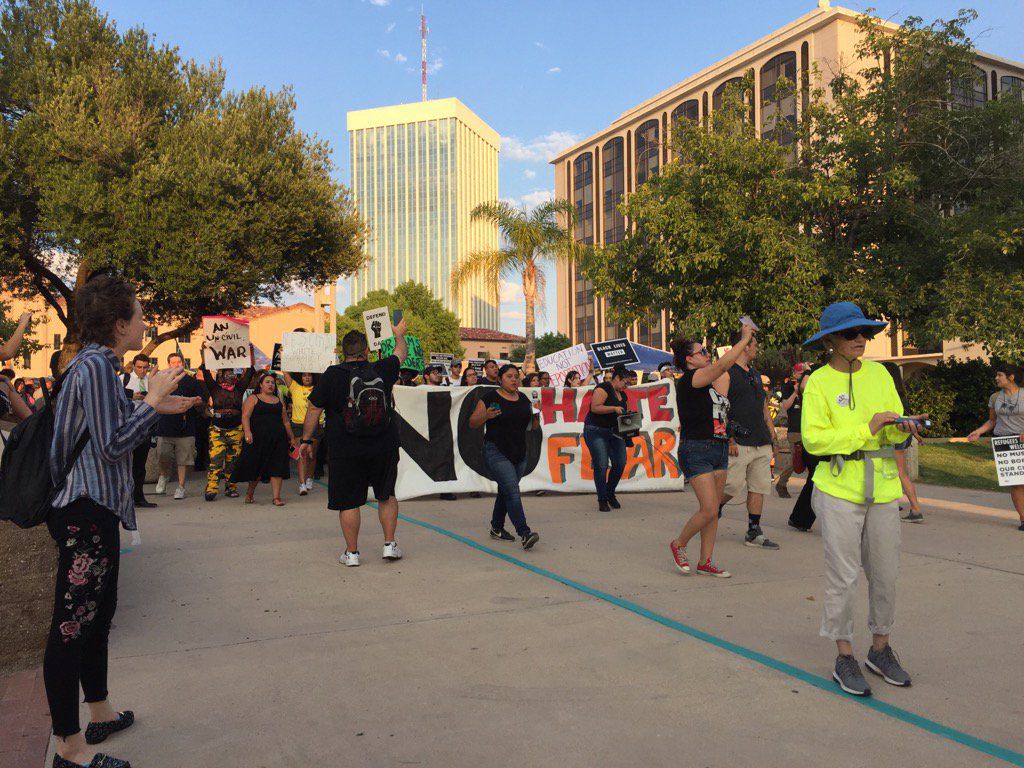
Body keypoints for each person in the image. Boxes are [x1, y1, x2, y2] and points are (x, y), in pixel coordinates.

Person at [46, 274, 200, 768]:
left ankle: (100, 711)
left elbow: (110, 432)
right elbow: (113, 445)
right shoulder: (92, 367)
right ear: (119, 324)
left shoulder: (99, 368)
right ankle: (68, 749)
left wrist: (154, 407)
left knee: (97, 618)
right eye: (138, 314)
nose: (144, 322)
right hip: (84, 511)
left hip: (98, 509)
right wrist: (152, 401)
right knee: (71, 627)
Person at [801, 301, 925, 696]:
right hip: (838, 488)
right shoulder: (818, 382)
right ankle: (843, 655)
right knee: (844, 576)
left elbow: (888, 428)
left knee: (886, 574)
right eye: (850, 334)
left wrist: (902, 429)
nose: (860, 339)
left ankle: (880, 649)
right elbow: (814, 440)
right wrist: (866, 429)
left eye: (864, 333)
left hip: (884, 487)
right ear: (831, 341)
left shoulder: (881, 375)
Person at [300, 323, 408, 566]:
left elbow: (314, 408)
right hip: (383, 445)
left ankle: (352, 553)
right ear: (367, 350)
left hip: (345, 448)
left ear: (342, 352)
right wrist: (398, 335)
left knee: (348, 501)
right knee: (386, 494)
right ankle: (390, 545)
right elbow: (402, 352)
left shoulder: (332, 374)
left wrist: (306, 440)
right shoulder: (382, 368)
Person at [668, 326, 756, 578]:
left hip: (717, 447)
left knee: (714, 511)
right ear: (689, 359)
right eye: (702, 351)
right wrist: (744, 339)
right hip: (696, 449)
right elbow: (721, 366)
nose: (707, 354)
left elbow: (724, 375)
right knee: (708, 508)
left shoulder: (711, 385)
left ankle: (705, 561)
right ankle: (679, 544)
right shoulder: (690, 380)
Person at [716, 329, 782, 550]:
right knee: (731, 486)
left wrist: (771, 429)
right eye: (754, 344)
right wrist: (729, 438)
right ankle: (713, 508)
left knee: (759, 487)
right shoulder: (726, 373)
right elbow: (720, 407)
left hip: (760, 440)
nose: (757, 348)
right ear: (744, 345)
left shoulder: (754, 373)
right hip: (738, 441)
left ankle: (754, 531)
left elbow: (762, 402)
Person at [469, 363, 541, 549]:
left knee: (506, 491)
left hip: (519, 453)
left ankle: (496, 527)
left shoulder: (524, 399)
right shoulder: (490, 397)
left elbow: (533, 428)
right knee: (512, 491)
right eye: (509, 376)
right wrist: (486, 415)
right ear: (500, 380)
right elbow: (472, 423)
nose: (514, 379)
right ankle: (524, 533)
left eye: (516, 376)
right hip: (495, 451)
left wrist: (537, 414)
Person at [967, 362, 1024, 531]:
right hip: (1004, 442)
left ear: (1011, 377)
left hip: (1022, 440)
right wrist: (978, 432)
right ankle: (1023, 519)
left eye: (999, 375)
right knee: (1017, 483)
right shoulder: (994, 397)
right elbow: (992, 420)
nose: (996, 378)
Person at [199, 348, 256, 502]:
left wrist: (249, 353)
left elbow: (250, 372)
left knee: (233, 461)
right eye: (227, 373)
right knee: (216, 460)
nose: (230, 375)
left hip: (236, 430)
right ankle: (211, 488)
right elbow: (205, 372)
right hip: (217, 430)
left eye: (232, 373)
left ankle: (231, 487)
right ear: (221, 375)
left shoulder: (239, 388)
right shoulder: (214, 389)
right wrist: (204, 355)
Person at [231, 372, 296, 506]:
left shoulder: (279, 400)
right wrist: (247, 432)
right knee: (257, 468)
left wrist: (292, 438)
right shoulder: (253, 398)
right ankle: (250, 493)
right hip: (258, 439)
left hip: (278, 439)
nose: (271, 385)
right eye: (267, 382)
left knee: (277, 467)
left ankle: (276, 497)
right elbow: (245, 416)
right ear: (260, 385)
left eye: (273, 382)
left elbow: (286, 422)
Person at [153, 351, 204, 500]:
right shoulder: (162, 379)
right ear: (168, 364)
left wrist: (192, 402)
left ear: (182, 363)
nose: (176, 364)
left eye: (178, 362)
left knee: (184, 459)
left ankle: (181, 487)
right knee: (163, 455)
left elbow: (201, 399)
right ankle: (163, 476)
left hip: (185, 426)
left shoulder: (191, 381)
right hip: (165, 425)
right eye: (173, 362)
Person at [583, 364, 630, 511]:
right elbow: (595, 407)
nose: (626, 386)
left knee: (620, 463)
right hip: (596, 430)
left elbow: (624, 413)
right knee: (601, 465)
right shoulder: (603, 388)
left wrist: (630, 427)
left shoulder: (624, 394)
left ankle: (610, 492)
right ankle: (602, 499)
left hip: (615, 432)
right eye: (625, 382)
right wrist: (614, 408)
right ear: (617, 378)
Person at [882, 362, 924, 523]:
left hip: (895, 435)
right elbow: (907, 419)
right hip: (903, 435)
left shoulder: (891, 397)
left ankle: (915, 508)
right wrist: (916, 435)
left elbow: (900, 420)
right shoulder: (902, 396)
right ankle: (899, 504)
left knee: (900, 472)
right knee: (898, 471)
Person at [121, 354, 157, 508]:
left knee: (140, 465)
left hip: (145, 426)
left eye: (145, 367)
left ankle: (139, 497)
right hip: (127, 425)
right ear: (133, 366)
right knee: (124, 465)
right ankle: (124, 498)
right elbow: (112, 395)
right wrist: (130, 396)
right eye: (139, 367)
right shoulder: (124, 379)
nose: (142, 370)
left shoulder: (151, 381)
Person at [775, 362, 810, 499]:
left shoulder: (808, 385)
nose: (802, 376)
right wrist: (795, 392)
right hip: (795, 429)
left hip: (809, 428)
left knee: (810, 460)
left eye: (804, 374)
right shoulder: (789, 386)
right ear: (795, 373)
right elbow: (785, 405)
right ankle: (782, 483)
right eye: (800, 374)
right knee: (794, 460)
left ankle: (810, 488)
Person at [282, 370, 319, 495]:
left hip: (315, 424)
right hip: (298, 424)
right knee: (301, 454)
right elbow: (285, 373)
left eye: (310, 375)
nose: (307, 377)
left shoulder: (319, 388)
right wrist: (283, 354)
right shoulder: (295, 387)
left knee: (311, 455)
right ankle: (302, 484)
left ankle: (310, 477)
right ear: (301, 377)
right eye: (304, 375)